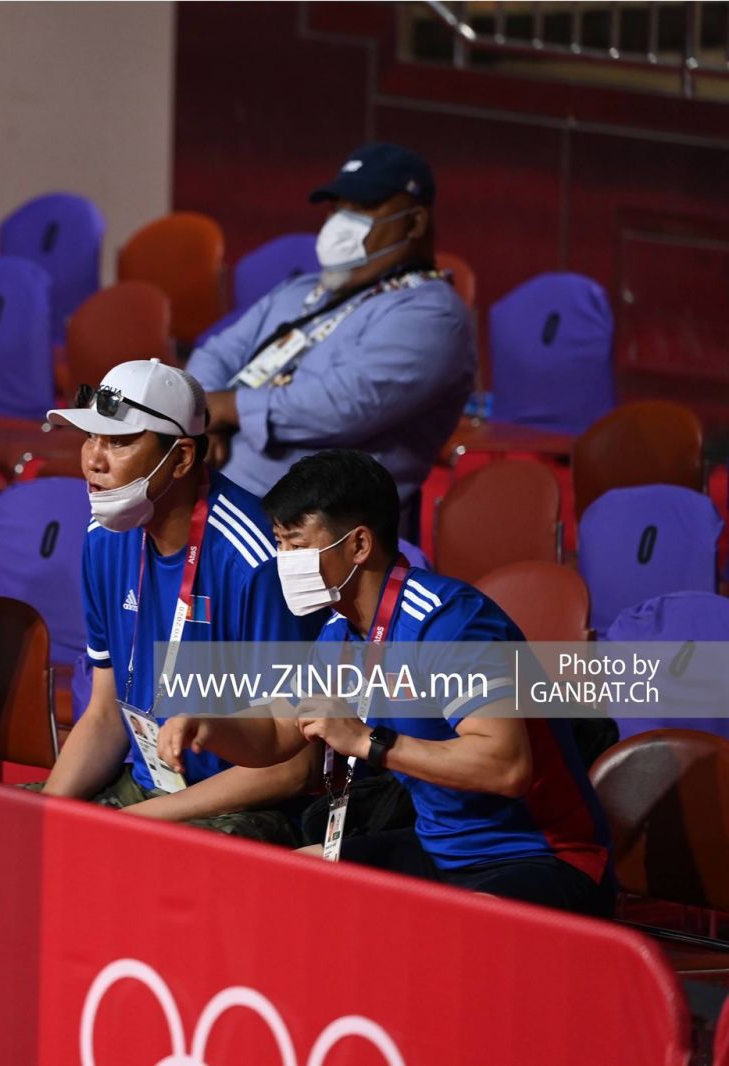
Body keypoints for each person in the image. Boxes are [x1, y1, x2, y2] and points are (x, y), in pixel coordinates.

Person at [159, 449, 613, 915]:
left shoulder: (448, 623)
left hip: (541, 859)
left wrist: (367, 741)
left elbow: (506, 766)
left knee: (460, 932)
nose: (284, 562)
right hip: (438, 851)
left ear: (358, 545)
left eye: (297, 545)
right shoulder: (339, 635)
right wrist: (209, 725)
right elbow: (277, 732)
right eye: (279, 544)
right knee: (277, 886)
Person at [35, 359, 326, 843]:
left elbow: (293, 766)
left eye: (120, 442)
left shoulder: (257, 561)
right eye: (91, 437)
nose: (94, 460)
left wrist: (131, 826)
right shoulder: (103, 536)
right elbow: (105, 713)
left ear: (182, 458)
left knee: (114, 863)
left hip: (243, 805)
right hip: (147, 789)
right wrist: (44, 816)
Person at [188, 142, 475, 530]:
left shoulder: (432, 315)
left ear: (414, 223)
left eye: (362, 209)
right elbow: (216, 353)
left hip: (316, 534)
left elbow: (344, 405)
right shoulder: (302, 290)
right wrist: (202, 420)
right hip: (219, 504)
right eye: (337, 208)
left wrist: (229, 408)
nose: (341, 223)